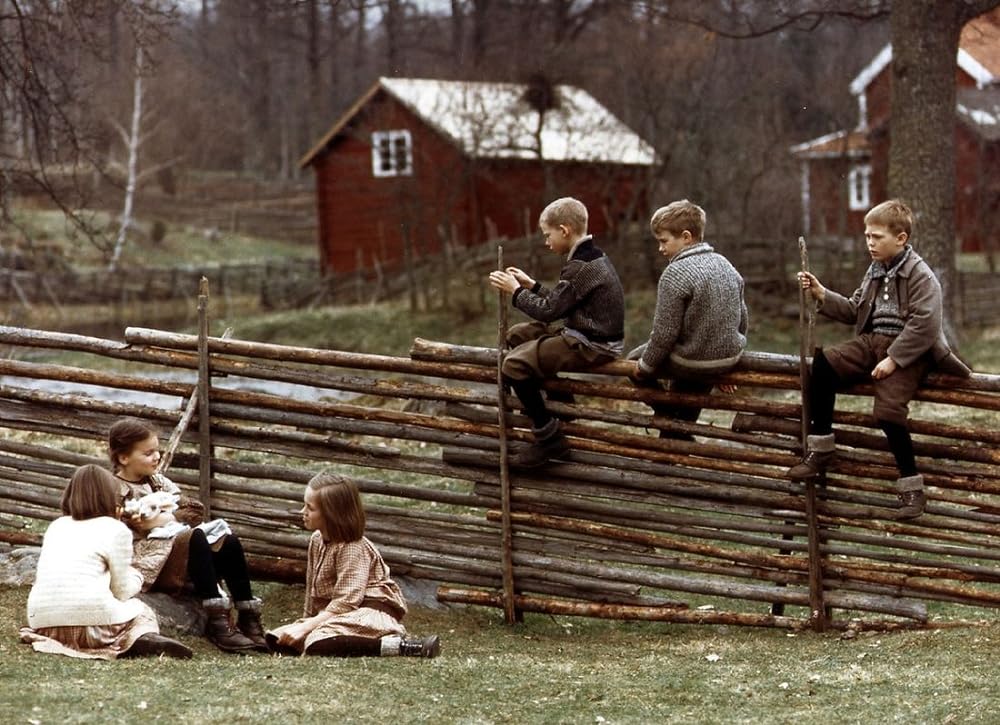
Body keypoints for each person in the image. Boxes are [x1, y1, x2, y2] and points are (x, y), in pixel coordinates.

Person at [787, 199, 971, 518]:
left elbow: (925, 324)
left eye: (877, 237)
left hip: (910, 350)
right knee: (824, 364)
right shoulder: (875, 271)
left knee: (888, 412)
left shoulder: (920, 275)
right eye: (867, 236)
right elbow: (854, 309)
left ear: (901, 239)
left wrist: (894, 360)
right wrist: (821, 293)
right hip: (872, 342)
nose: (870, 243)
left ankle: (912, 489)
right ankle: (820, 449)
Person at [488, 196, 626, 467]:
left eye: (547, 234)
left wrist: (515, 291)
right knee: (517, 335)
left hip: (592, 344)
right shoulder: (589, 257)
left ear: (564, 230)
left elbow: (550, 312)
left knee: (514, 365)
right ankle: (561, 402)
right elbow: (562, 303)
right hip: (585, 333)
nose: (546, 241)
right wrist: (532, 285)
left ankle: (549, 438)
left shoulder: (581, 266)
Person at [109, 417, 266, 652]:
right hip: (148, 562)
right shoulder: (114, 489)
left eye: (158, 451)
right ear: (124, 458)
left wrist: (162, 519)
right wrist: (138, 523)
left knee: (228, 540)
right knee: (194, 537)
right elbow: (116, 523)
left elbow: (194, 510)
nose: (157, 457)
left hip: (175, 552)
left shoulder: (158, 483)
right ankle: (217, 622)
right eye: (148, 453)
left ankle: (247, 614)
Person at [20, 464, 192, 660]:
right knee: (142, 610)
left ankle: (134, 640)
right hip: (92, 627)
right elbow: (121, 591)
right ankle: (138, 639)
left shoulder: (56, 526)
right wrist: (137, 575)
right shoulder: (115, 529)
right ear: (109, 497)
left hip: (44, 624)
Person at [265, 472, 439, 658]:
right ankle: (322, 637)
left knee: (318, 642)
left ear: (332, 514)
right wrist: (304, 623)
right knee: (275, 638)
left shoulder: (352, 547)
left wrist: (308, 627)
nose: (302, 512)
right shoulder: (317, 539)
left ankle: (402, 646)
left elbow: (347, 601)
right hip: (336, 614)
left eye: (310, 507)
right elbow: (312, 590)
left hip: (367, 612)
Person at [627, 200, 748, 438]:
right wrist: (729, 359)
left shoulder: (675, 273)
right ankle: (677, 427)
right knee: (686, 405)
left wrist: (645, 367)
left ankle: (668, 415)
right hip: (727, 357)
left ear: (686, 237)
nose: (660, 248)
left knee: (633, 362)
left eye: (664, 241)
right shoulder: (726, 264)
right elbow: (742, 317)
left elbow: (664, 334)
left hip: (693, 362)